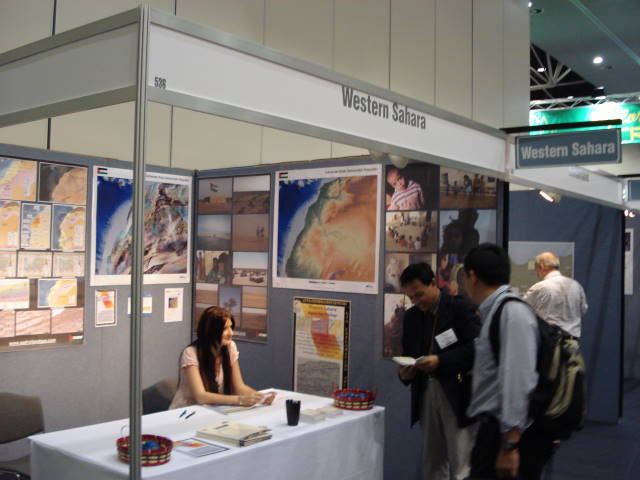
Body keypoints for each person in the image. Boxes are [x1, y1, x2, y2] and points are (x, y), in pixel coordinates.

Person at [463, 243, 556, 479]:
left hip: (505, 437)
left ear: (472, 276)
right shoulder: (497, 311)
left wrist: (510, 445)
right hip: (495, 431)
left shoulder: (511, 313)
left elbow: (518, 381)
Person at [398, 262, 481, 480]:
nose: (416, 301)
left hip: (457, 392)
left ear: (433, 283)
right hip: (426, 392)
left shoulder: (460, 309)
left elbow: (476, 350)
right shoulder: (412, 317)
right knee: (433, 461)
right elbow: (408, 354)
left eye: (419, 294)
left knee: (462, 462)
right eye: (410, 297)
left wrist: (440, 361)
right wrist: (405, 373)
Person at [170, 306, 275, 409]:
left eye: (231, 327)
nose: (231, 333)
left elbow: (239, 387)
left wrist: (261, 397)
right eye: (225, 329)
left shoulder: (230, 347)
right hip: (187, 411)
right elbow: (201, 397)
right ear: (211, 331)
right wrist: (239, 400)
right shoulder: (191, 353)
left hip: (213, 409)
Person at [523, 252, 587, 338]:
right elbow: (583, 310)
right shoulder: (576, 286)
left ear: (541, 266)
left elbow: (523, 312)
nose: (537, 274)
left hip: (548, 341)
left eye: (536, 270)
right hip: (572, 342)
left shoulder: (539, 288)